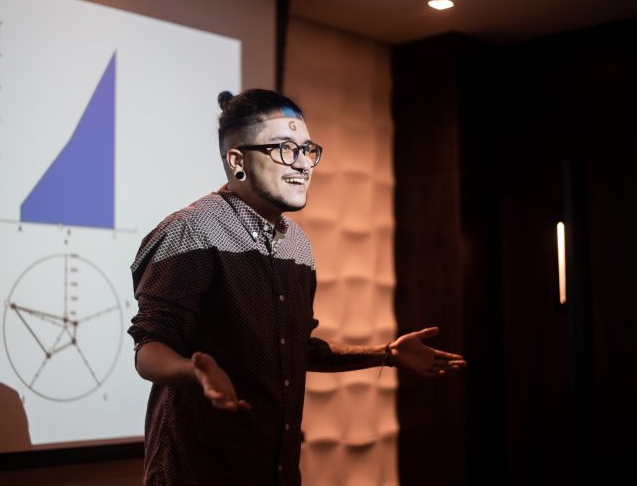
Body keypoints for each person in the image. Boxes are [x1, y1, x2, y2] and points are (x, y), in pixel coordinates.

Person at [128, 89, 466, 486]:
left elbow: (295, 348)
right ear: (238, 161)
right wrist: (192, 371)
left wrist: (386, 354)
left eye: (308, 150)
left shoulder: (297, 244)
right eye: (286, 149)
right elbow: (149, 348)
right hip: (199, 471)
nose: (304, 164)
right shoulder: (193, 229)